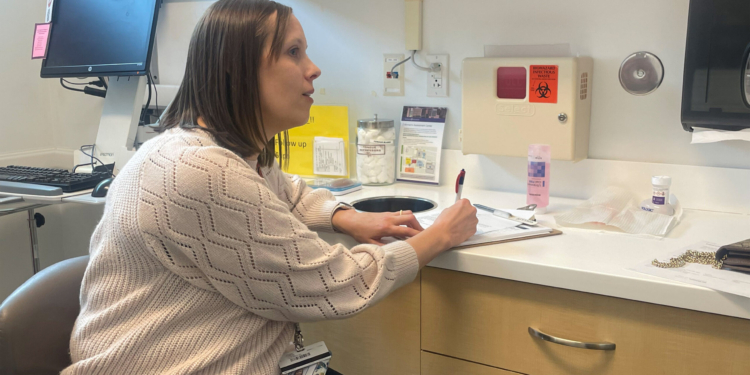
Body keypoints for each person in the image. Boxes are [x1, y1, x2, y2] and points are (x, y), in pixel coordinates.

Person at [63, 0, 477, 374]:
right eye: (293, 52)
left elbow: (286, 193)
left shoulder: (221, 152)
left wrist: (347, 217)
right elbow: (340, 283)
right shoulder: (198, 171)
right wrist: (439, 236)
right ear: (234, 67)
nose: (313, 68)